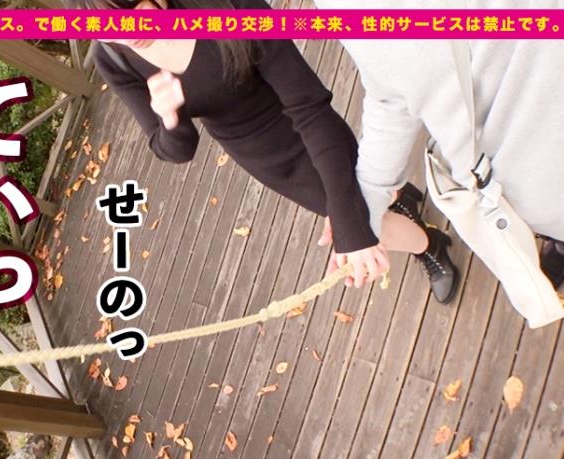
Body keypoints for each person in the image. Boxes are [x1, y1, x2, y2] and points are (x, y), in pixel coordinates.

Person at [72, 0, 461, 302]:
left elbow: (308, 107)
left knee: (358, 214)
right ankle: (416, 224)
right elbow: (174, 150)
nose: (129, 33)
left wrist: (351, 227)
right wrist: (170, 118)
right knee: (353, 203)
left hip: (306, 119)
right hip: (263, 155)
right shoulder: (113, 56)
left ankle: (428, 244)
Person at [314, 0, 564, 290]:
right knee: (560, 229)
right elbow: (390, 92)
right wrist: (364, 200)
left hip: (563, 140)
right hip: (518, 186)